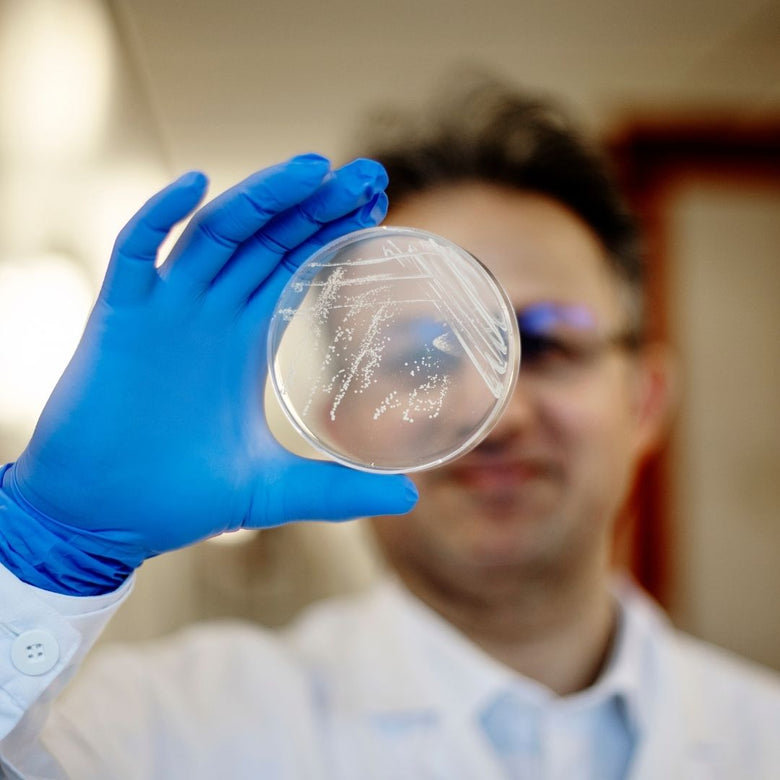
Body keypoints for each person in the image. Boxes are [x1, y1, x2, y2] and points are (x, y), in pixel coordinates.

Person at [0, 76, 778, 779]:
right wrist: (46, 552)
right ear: (337, 415)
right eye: (417, 356)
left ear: (643, 403)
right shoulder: (156, 727)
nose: (496, 414)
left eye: (544, 345)